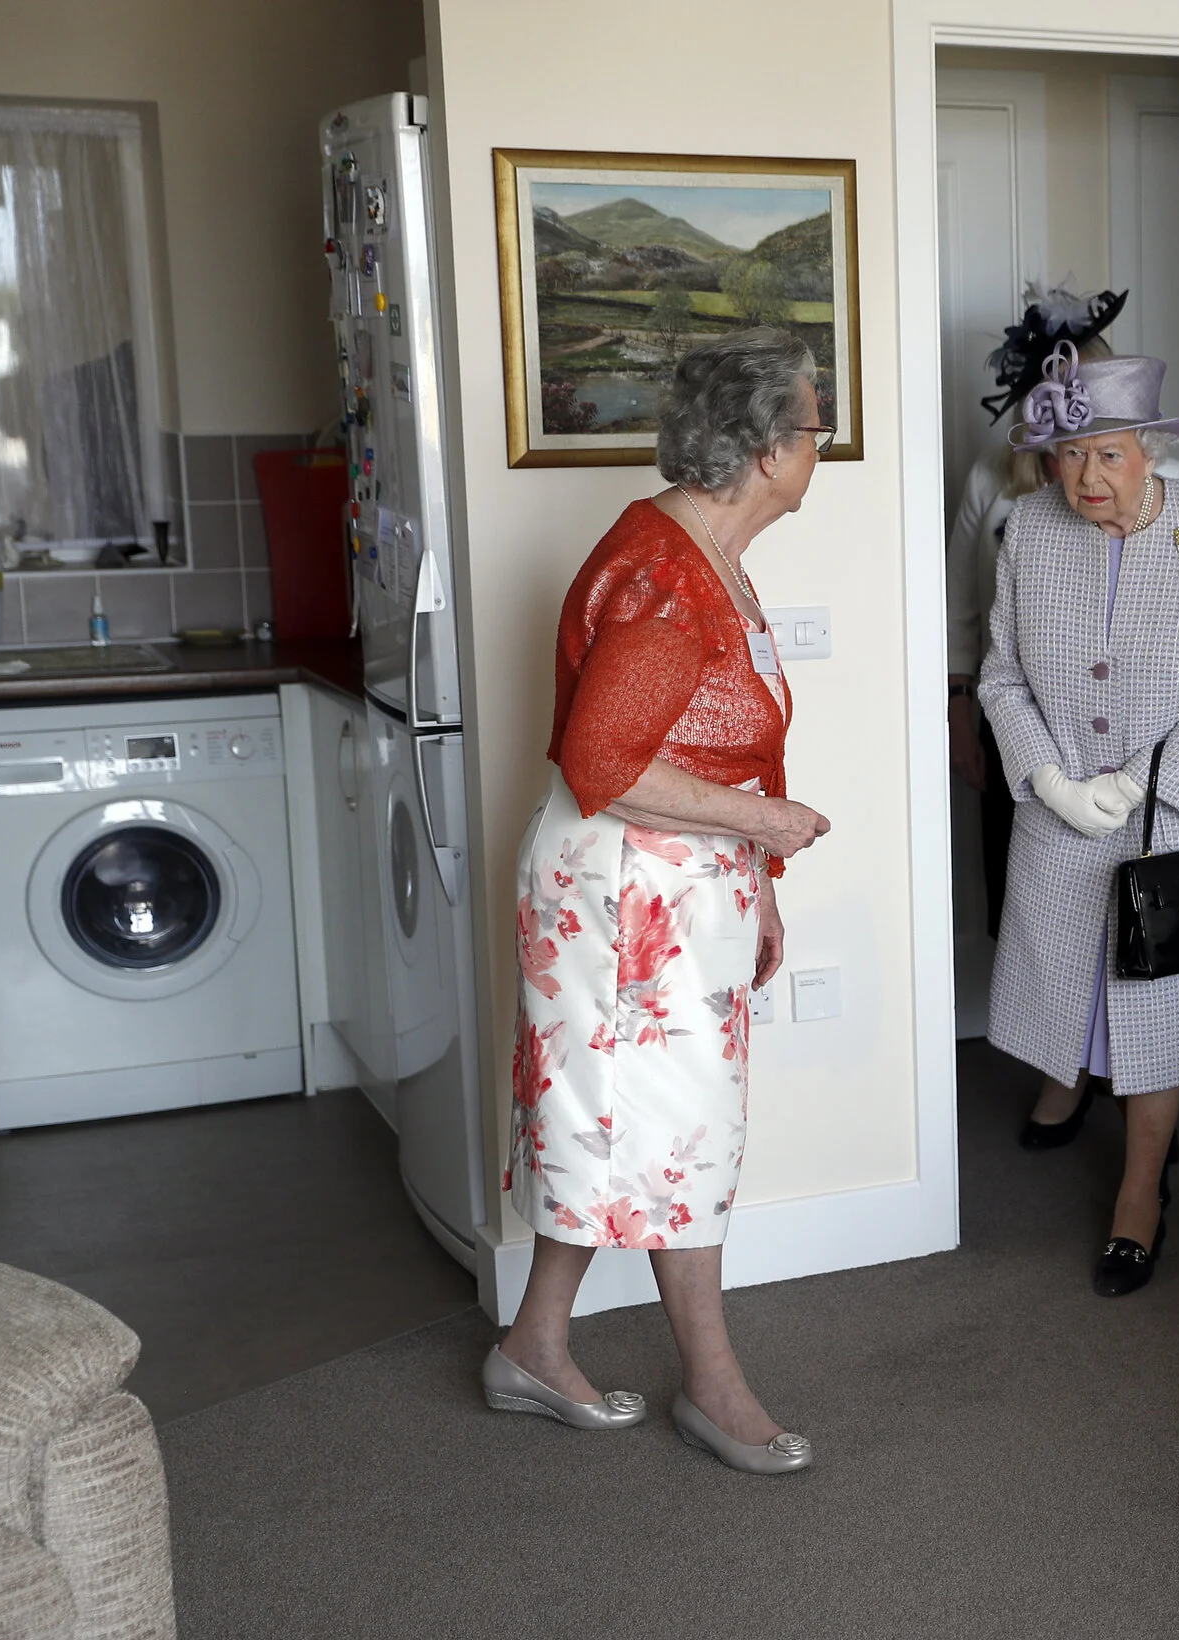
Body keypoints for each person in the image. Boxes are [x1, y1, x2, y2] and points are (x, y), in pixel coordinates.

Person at [484, 327, 833, 1475]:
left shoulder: (707, 554)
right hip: (627, 893)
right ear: (771, 447)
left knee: (615, 1124)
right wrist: (769, 828)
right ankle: (713, 1384)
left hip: (675, 886)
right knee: (673, 1135)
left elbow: (718, 741)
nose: (821, 437)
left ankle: (534, 1342)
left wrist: (760, 883)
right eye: (814, 417)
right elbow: (607, 763)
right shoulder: (667, 575)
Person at [978, 341, 1179, 1296]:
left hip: (1173, 818)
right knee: (1070, 977)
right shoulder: (1025, 528)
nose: (1085, 476)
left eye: (1107, 453)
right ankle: (1070, 1079)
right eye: (1067, 454)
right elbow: (1003, 676)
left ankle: (1141, 1190)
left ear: (1149, 450)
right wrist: (1049, 780)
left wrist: (1147, 780)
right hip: (1061, 815)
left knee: (1157, 1000)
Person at [945, 284, 1179, 938]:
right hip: (1023, 730)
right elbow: (961, 609)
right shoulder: (994, 482)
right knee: (1039, 920)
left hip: (1135, 734)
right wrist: (960, 715)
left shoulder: (1173, 489)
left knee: (1140, 912)